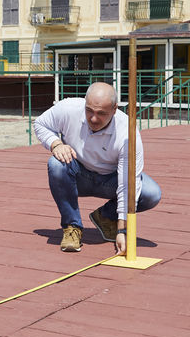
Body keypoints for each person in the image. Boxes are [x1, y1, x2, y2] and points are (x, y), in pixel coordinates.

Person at [32, 82, 162, 253]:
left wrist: (123, 229)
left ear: (115, 109)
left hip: (111, 181)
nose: (93, 118)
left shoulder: (127, 133)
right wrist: (56, 144)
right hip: (77, 175)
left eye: (101, 113)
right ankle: (72, 227)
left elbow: (127, 184)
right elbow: (40, 124)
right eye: (89, 111)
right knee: (56, 164)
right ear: (85, 102)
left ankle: (106, 216)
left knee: (151, 193)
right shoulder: (68, 108)